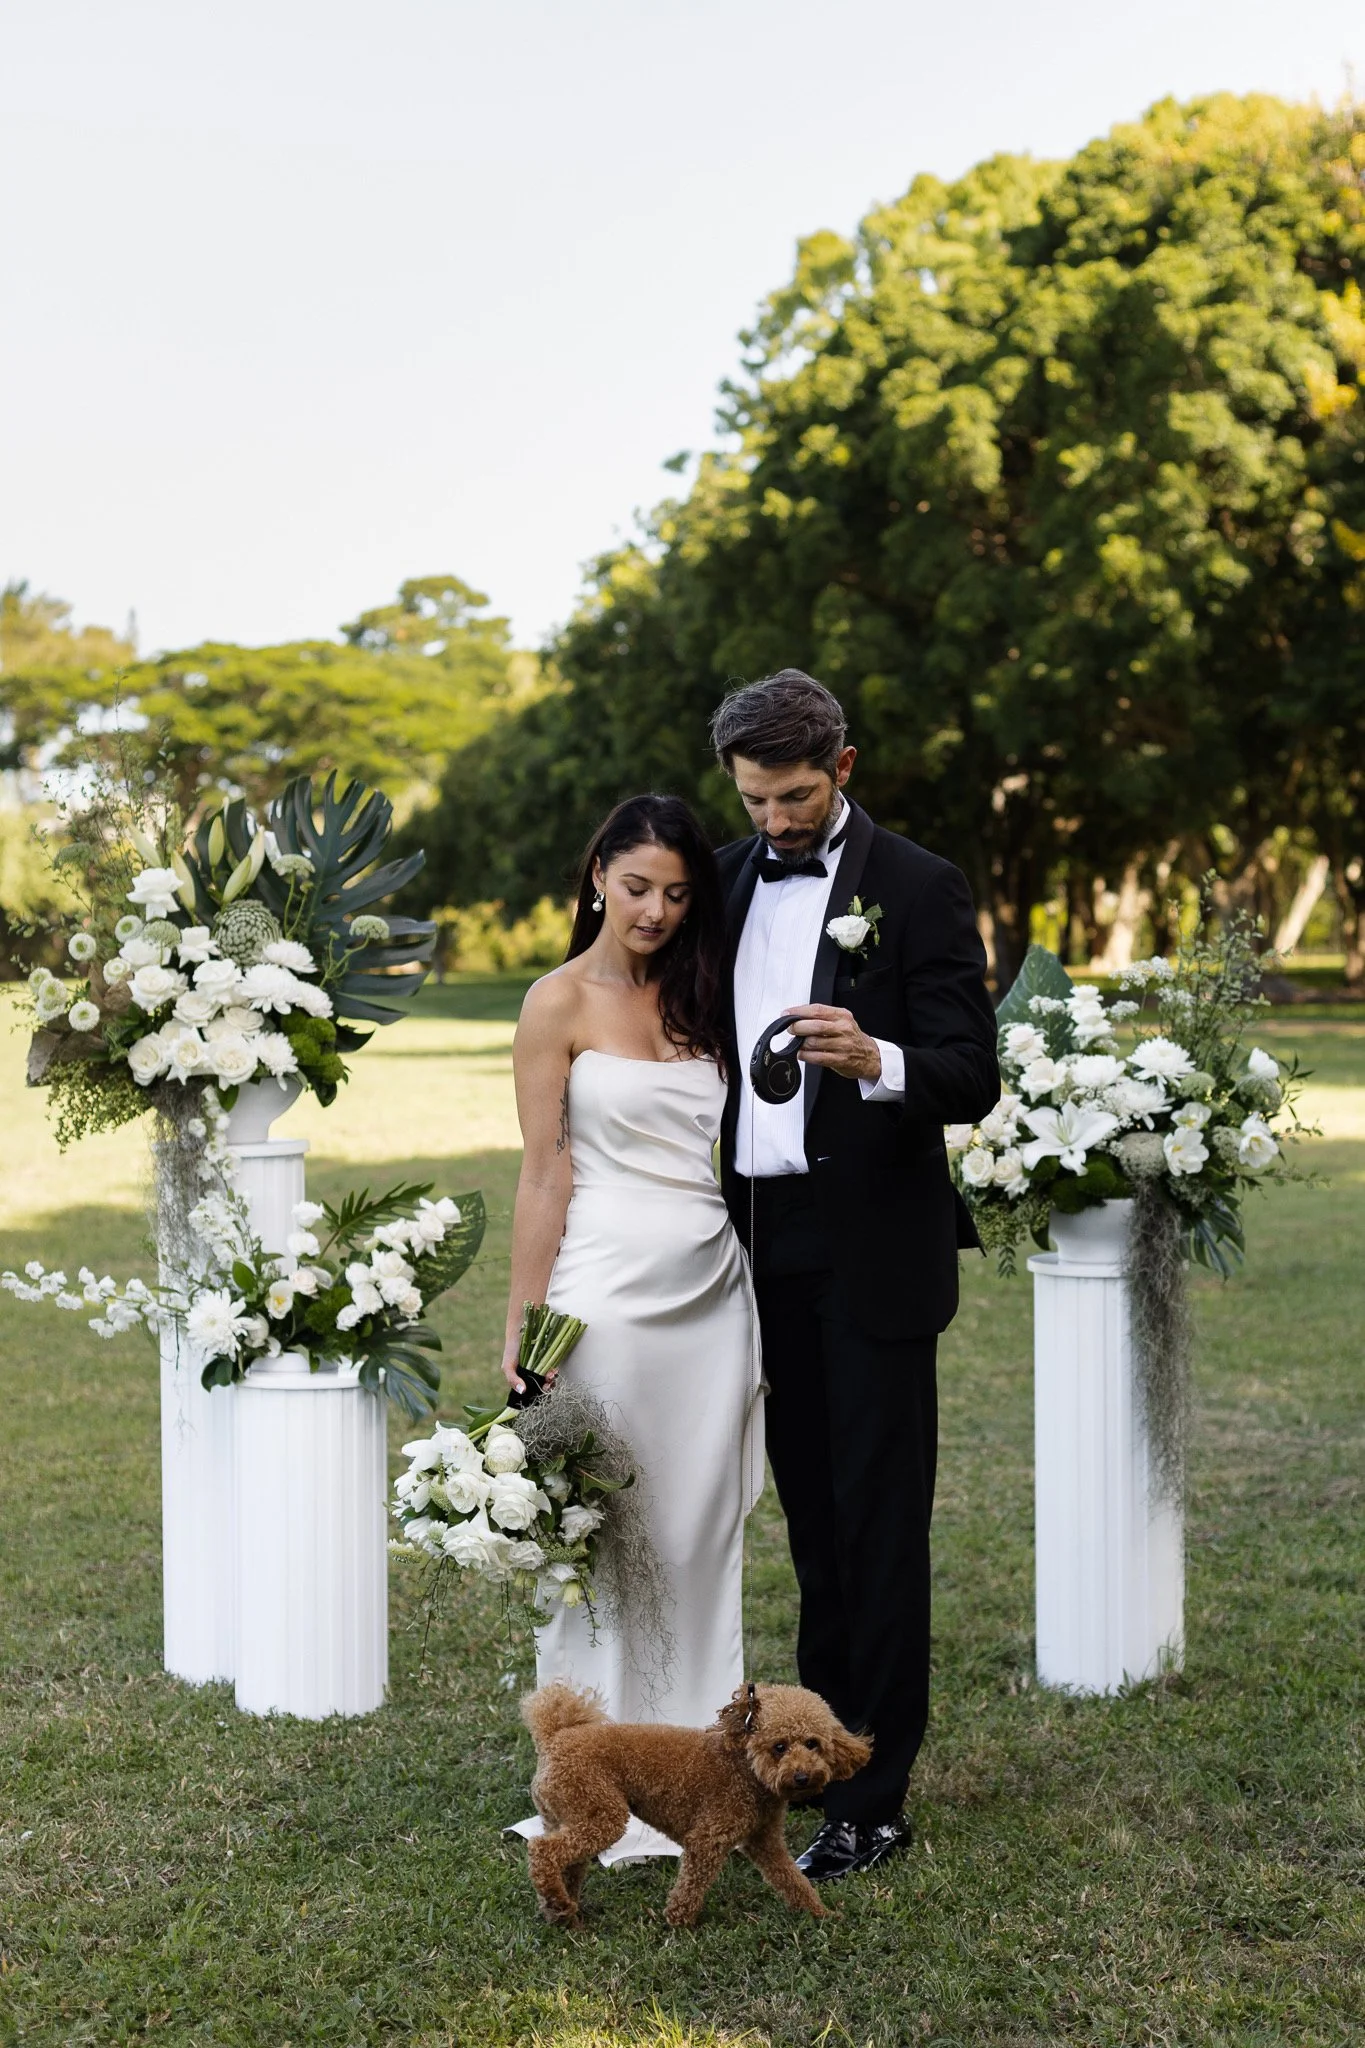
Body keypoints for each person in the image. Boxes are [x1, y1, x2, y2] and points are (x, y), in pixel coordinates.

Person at [712, 669, 999, 1884]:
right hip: (751, 1242)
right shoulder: (722, 880)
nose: (774, 820)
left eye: (793, 795)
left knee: (879, 1527)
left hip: (872, 1248)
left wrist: (880, 1057)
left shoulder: (921, 885)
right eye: (754, 798)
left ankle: (874, 1801)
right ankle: (811, 1761)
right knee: (814, 1524)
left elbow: (972, 1070)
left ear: (844, 765)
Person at [503, 793, 764, 1864]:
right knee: (606, 1532)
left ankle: (703, 1772)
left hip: (712, 1294)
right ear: (598, 874)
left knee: (699, 1530)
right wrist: (526, 1330)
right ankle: (592, 1772)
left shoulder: (712, 994)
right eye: (638, 886)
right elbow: (543, 1172)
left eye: (678, 893)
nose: (656, 910)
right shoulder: (555, 1000)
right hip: (603, 1297)